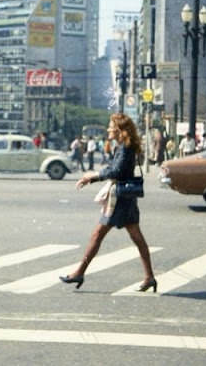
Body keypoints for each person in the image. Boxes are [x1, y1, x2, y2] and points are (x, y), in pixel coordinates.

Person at [59, 113, 156, 292]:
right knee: (136, 238)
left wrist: (93, 175)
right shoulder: (123, 147)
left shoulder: (125, 149)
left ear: (119, 129)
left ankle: (79, 272)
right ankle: (149, 277)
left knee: (99, 235)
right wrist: (93, 178)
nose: (108, 129)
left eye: (111, 126)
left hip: (119, 200)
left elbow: (117, 171)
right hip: (125, 199)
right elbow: (115, 170)